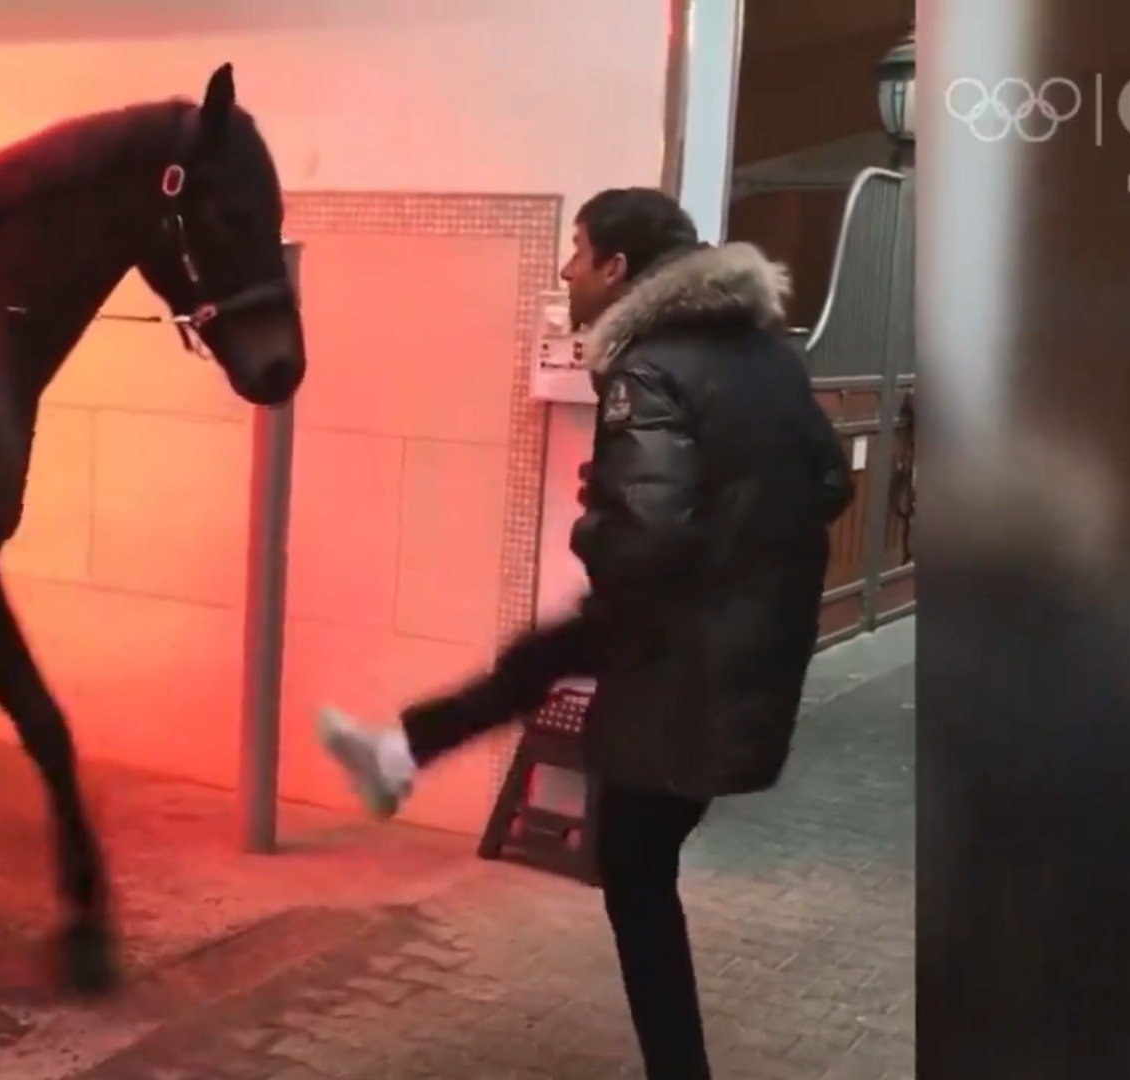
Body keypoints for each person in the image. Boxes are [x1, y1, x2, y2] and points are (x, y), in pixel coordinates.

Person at [317, 187, 854, 1079]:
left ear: (616, 268)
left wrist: (594, 518)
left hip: (685, 648)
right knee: (539, 661)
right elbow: (827, 486)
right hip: (731, 632)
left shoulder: (649, 367)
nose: (567, 271)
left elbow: (640, 539)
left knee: (635, 868)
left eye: (577, 252)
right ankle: (397, 755)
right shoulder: (765, 354)